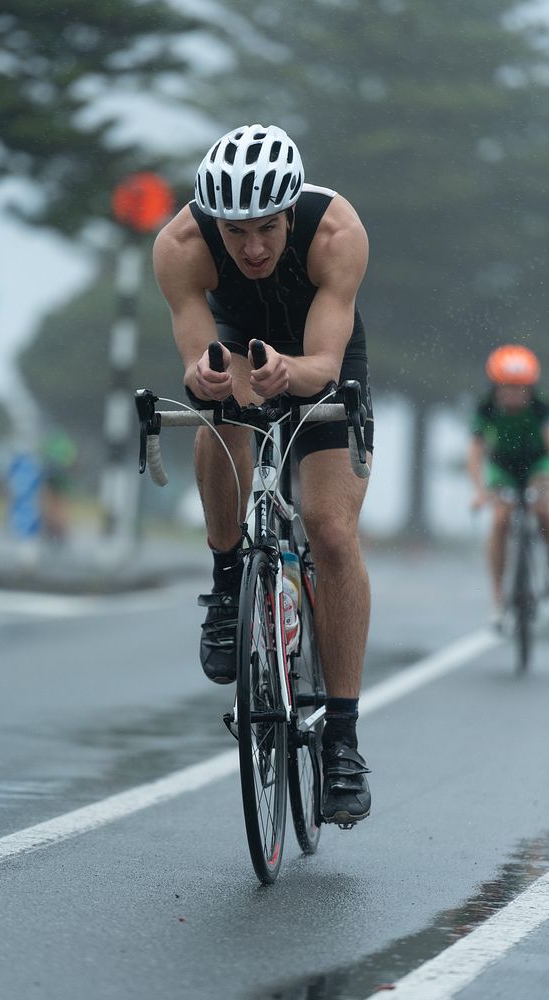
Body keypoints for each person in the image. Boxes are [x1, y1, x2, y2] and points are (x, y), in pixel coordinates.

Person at [153, 123, 374, 827]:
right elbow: (197, 361)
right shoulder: (179, 247)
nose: (251, 248)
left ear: (290, 215)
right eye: (236, 231)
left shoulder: (335, 230)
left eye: (268, 230)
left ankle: (341, 739)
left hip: (319, 360)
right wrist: (214, 377)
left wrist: (293, 373)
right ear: (213, 223)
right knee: (218, 412)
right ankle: (227, 589)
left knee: (330, 531)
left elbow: (323, 361)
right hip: (237, 353)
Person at [468, 344, 549, 624]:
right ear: (496, 387)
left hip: (537, 463)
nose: (513, 395)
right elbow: (476, 452)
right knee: (500, 520)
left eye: (520, 389)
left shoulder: (541, 409)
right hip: (503, 467)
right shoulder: (486, 408)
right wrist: (479, 491)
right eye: (507, 388)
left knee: (544, 511)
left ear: (530, 389)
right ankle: (498, 597)